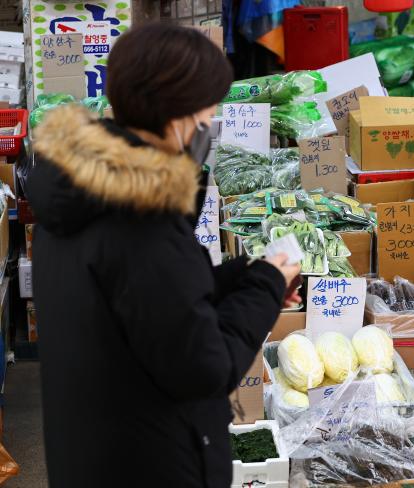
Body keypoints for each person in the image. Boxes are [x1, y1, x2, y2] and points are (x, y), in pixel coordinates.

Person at [26, 23, 300, 488]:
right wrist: (267, 287)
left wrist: (244, 275)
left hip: (92, 451)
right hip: (148, 461)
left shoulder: (75, 191)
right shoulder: (140, 221)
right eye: (208, 108)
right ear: (178, 115)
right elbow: (206, 367)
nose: (209, 123)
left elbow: (139, 306)